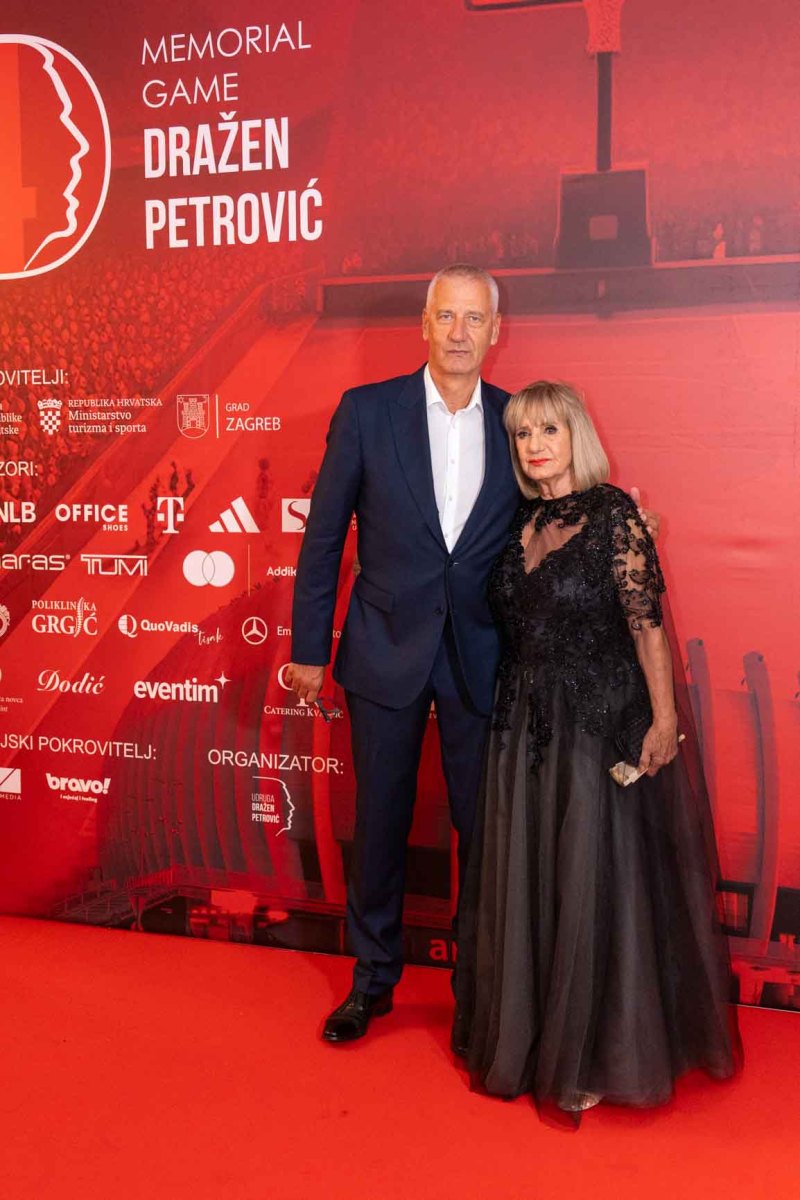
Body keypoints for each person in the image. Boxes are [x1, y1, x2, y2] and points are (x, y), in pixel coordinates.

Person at [286, 266, 657, 1045]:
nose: (460, 332)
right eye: (447, 316)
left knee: (487, 833)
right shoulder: (366, 411)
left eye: (475, 318)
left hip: (486, 659)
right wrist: (309, 650)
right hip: (383, 650)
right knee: (379, 825)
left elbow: (556, 513)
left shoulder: (514, 421)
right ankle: (370, 982)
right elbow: (322, 540)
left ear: (497, 330)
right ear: (425, 324)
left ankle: (480, 995)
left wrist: (615, 528)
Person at [455, 381, 740, 1120]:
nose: (535, 445)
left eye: (549, 430)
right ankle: (535, 1039)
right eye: (522, 434)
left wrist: (664, 718)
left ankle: (592, 1054)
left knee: (593, 880)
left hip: (596, 720)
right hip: (522, 726)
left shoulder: (614, 513)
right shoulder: (518, 521)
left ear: (576, 435)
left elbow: (647, 626)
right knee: (535, 876)